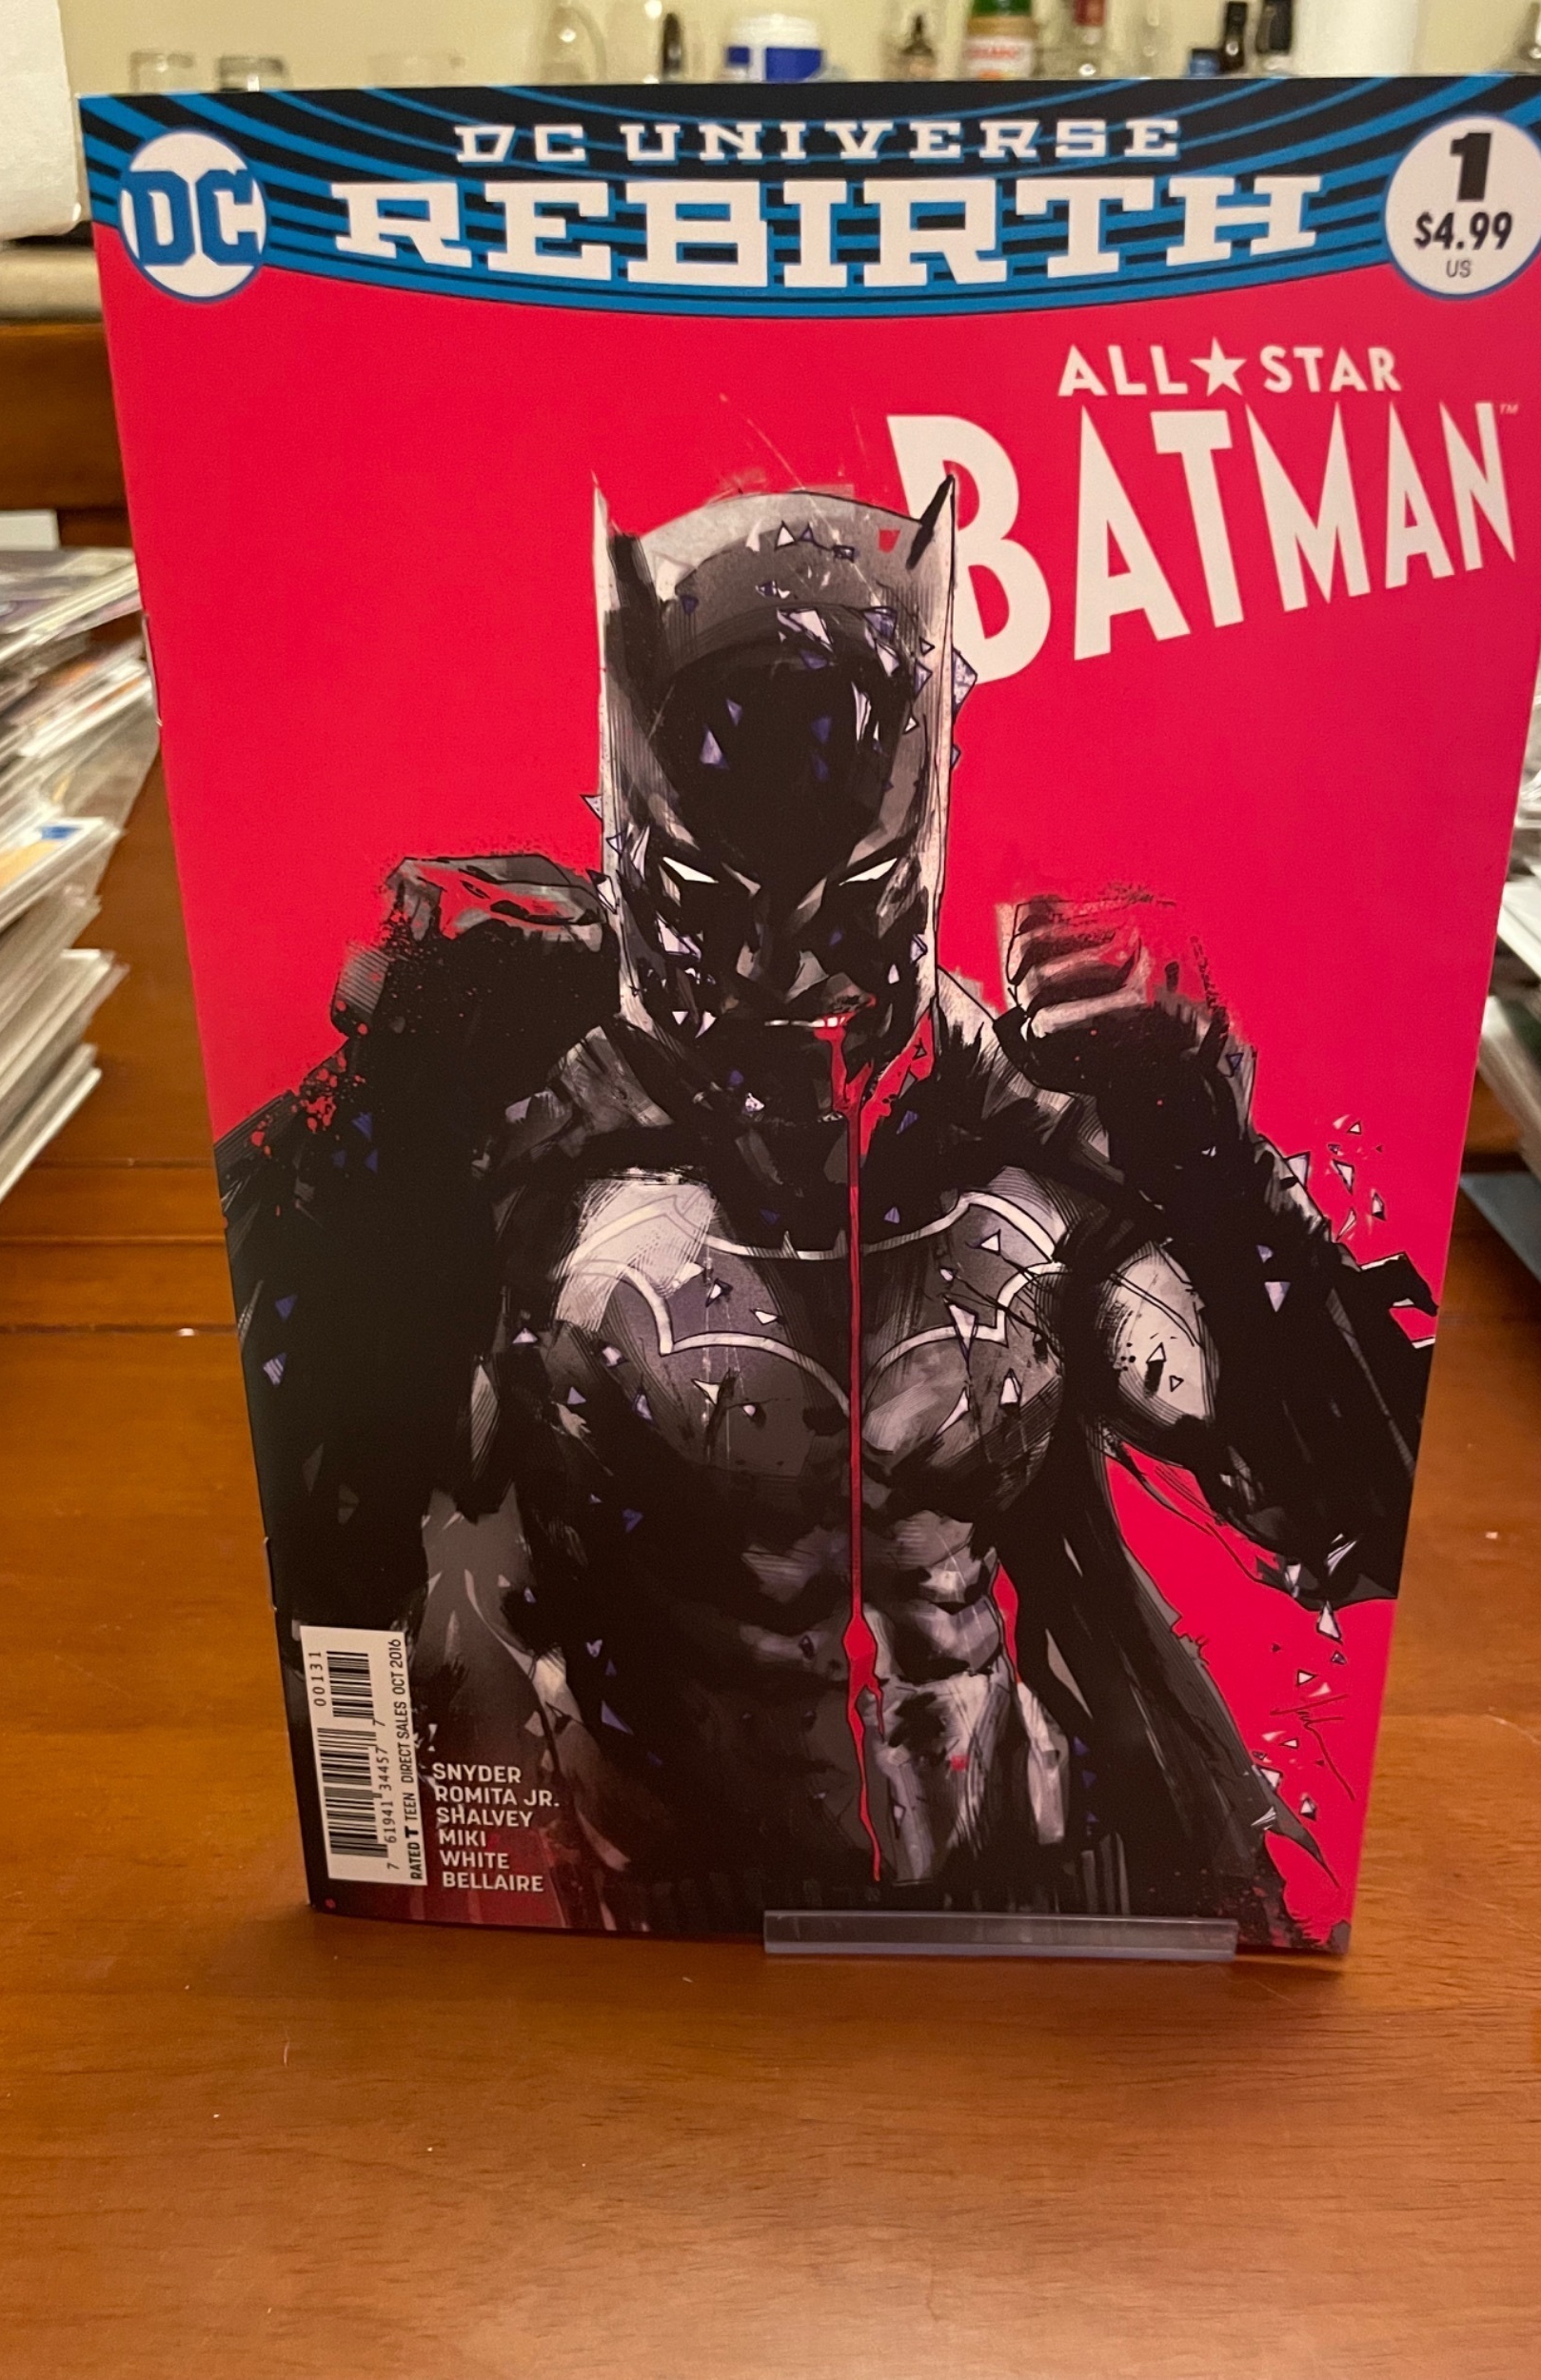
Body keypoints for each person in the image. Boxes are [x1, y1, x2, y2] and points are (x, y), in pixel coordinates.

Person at [222, 482, 1431, 1943]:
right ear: (634, 839)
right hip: (635, 1919)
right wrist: (373, 1129)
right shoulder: (527, 1131)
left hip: (1019, 1895)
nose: (784, 975)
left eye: (844, 908)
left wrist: (1213, 1153)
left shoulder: (1030, 1130)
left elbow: (1348, 1514)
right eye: (721, 905)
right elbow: (313, 1528)